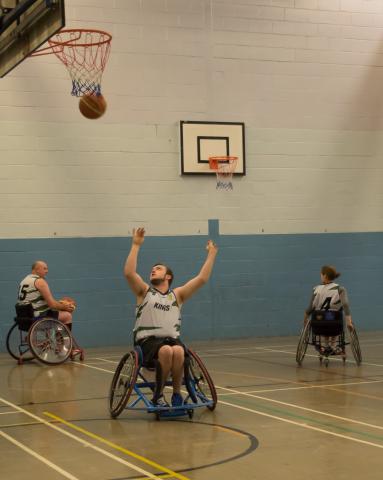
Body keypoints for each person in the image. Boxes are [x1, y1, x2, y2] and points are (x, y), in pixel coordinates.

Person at [124, 227, 218, 407]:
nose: (153, 270)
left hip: (172, 340)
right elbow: (129, 273)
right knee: (166, 350)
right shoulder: (144, 292)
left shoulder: (177, 295)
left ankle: (176, 394)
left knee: (178, 350)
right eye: (152, 269)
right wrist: (136, 245)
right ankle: (158, 396)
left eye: (157, 269)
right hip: (148, 344)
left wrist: (212, 254)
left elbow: (202, 279)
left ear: (168, 276)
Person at [303, 265, 354, 354]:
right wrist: (349, 322)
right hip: (335, 322)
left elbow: (310, 308)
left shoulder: (316, 289)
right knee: (332, 317)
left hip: (319, 324)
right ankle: (333, 345)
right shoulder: (340, 289)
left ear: (325, 275)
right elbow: (345, 304)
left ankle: (326, 346)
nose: (320, 276)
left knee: (324, 318)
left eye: (321, 275)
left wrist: (305, 319)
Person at [18, 260, 75, 328]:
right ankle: (64, 338)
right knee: (67, 316)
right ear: (37, 269)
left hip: (24, 316)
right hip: (37, 316)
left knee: (55, 312)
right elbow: (52, 305)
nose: (47, 271)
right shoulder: (39, 281)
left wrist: (60, 303)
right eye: (44, 268)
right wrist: (65, 307)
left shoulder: (24, 281)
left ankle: (52, 336)